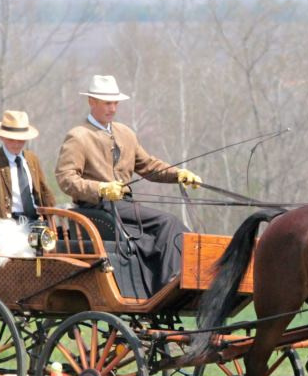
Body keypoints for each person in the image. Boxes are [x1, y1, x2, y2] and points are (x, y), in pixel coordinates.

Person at [55, 74, 202, 290]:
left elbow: (149, 166)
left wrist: (178, 174)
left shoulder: (126, 134)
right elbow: (66, 178)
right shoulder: (79, 136)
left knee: (172, 229)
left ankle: (174, 282)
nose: (112, 108)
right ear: (91, 102)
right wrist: (101, 189)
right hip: (97, 207)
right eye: (107, 103)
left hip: (124, 206)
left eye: (115, 103)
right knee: (169, 223)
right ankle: (170, 284)